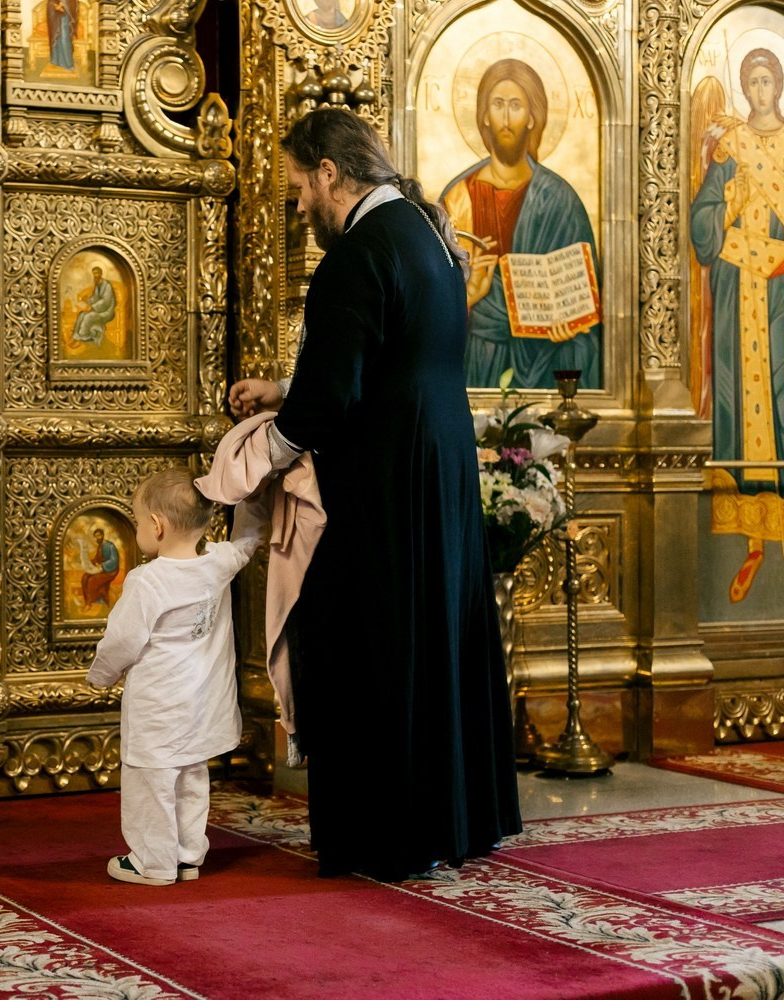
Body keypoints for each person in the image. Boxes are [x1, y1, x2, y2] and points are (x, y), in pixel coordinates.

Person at [228, 107, 521, 881]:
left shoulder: (354, 256)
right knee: (431, 639)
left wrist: (256, 460)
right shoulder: (428, 236)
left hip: (385, 480)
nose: (299, 206)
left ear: (330, 173)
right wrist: (285, 389)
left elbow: (331, 402)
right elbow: (391, 358)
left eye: (299, 187)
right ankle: (448, 820)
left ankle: (381, 835)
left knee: (364, 642)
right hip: (438, 465)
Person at [689, 48, 784, 603]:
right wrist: (726, 201)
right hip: (734, 287)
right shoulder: (729, 147)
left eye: (769, 80)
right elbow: (702, 220)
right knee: (736, 399)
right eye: (753, 81)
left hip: (782, 288)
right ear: (744, 88)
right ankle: (752, 540)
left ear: (780, 85)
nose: (762, 89)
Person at [87, 468, 267, 886]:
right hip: (202, 707)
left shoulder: (148, 581)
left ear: (157, 526)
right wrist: (254, 489)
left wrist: (102, 675)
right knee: (191, 779)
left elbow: (123, 640)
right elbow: (249, 537)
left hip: (159, 709)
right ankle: (187, 856)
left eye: (137, 521)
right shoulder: (219, 563)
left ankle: (153, 863)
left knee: (150, 783)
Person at [440, 58, 601, 390]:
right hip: (477, 356)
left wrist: (570, 326)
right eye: (497, 104)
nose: (506, 117)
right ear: (484, 114)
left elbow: (583, 305)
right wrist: (469, 295)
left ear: (532, 117)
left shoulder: (560, 199)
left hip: (544, 359)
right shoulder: (458, 197)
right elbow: (431, 302)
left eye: (516, 106)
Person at [71, 265, 116, 346]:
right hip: (98, 309)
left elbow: (106, 302)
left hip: (107, 311)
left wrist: (92, 307)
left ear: (101, 273)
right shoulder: (98, 285)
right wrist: (87, 300)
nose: (95, 275)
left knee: (88, 316)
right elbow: (95, 298)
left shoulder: (107, 285)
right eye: (94, 273)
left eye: (97, 273)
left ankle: (83, 338)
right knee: (82, 314)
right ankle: (76, 337)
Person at [79, 526, 121, 607]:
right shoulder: (100, 546)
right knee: (84, 577)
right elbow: (97, 559)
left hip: (110, 570)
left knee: (92, 580)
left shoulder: (110, 546)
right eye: (95, 537)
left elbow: (114, 561)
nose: (97, 538)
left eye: (98, 536)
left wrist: (102, 565)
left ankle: (94, 602)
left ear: (102, 535)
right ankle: (87, 601)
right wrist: (89, 562)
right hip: (101, 569)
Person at [47, 0, 78, 71]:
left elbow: (73, 3)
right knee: (57, 38)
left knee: (65, 38)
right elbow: (50, 2)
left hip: (65, 16)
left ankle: (68, 63)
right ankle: (56, 60)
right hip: (55, 17)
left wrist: (64, 4)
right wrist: (54, 6)